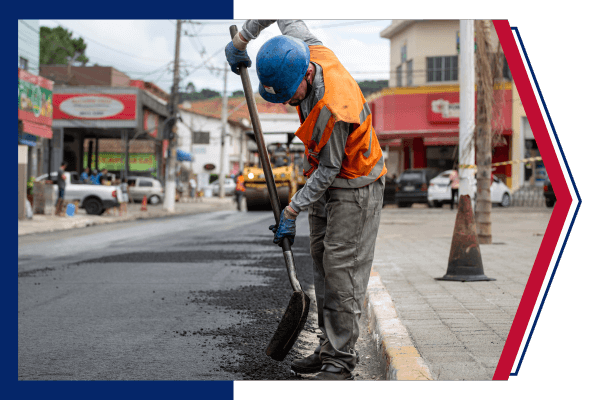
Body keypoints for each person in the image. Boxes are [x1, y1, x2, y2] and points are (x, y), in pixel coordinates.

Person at [226, 20, 387, 381]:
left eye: (290, 95)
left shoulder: (334, 105)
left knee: (341, 272)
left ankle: (340, 363)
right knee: (321, 262)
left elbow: (330, 170)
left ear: (307, 75)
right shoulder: (304, 47)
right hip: (326, 179)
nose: (288, 102)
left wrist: (293, 206)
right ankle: (328, 346)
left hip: (355, 185)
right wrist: (244, 37)